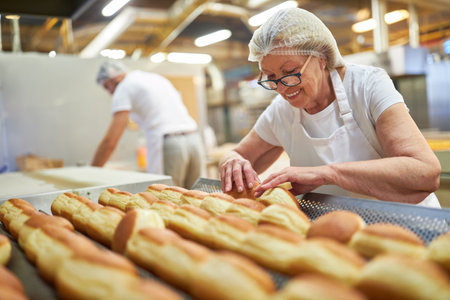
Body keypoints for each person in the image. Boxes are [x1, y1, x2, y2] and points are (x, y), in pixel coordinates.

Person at [219, 7, 441, 208]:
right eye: (272, 77)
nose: (283, 88)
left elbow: (425, 171)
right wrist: (232, 162)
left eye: (290, 72)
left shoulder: (367, 86)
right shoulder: (282, 111)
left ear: (321, 58)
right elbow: (237, 154)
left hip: (408, 224)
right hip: (338, 230)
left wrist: (327, 173)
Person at [92, 61, 206, 188]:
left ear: (113, 79)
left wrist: (92, 172)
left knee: (167, 199)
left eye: (107, 87)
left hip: (171, 145)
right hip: (194, 140)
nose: (110, 93)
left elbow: (110, 142)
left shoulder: (123, 88)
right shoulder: (154, 78)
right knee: (195, 196)